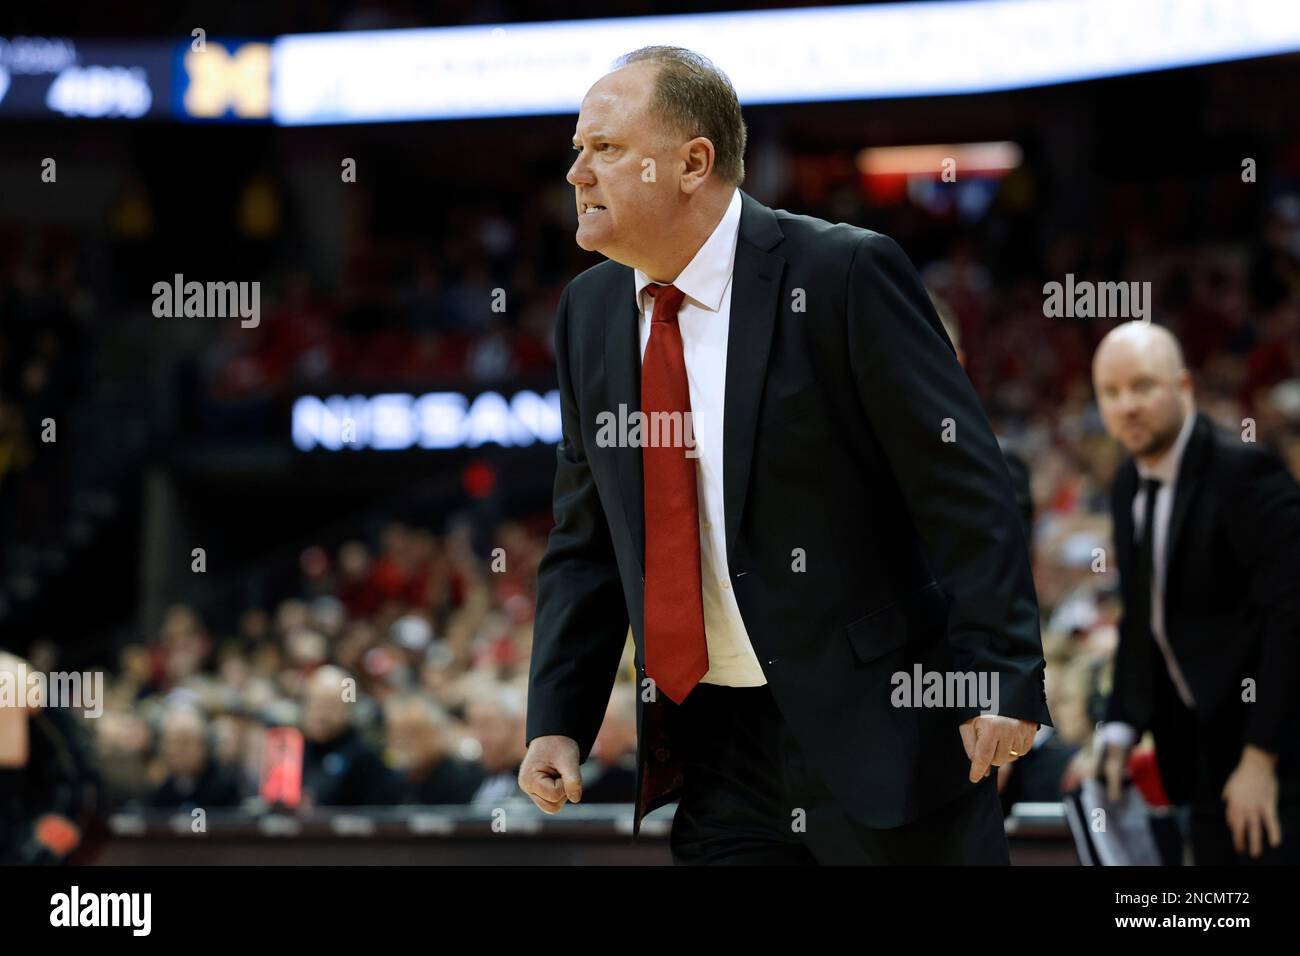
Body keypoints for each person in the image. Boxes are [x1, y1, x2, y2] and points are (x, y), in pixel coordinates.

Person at [520, 46, 1050, 864]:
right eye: (578, 149)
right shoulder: (588, 313)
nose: (578, 173)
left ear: (694, 163)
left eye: (608, 149)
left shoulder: (842, 271)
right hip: (714, 745)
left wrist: (1002, 674)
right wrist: (558, 715)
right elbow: (586, 538)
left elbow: (963, 487)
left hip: (883, 726)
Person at [1091, 321, 1300, 864]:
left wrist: (1261, 759)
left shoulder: (1243, 472)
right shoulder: (1127, 483)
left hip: (1275, 747)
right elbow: (1143, 618)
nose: (1127, 405)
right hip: (1201, 748)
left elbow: (1292, 618)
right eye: (1111, 393)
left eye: (1142, 386)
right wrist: (1119, 724)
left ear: (1183, 386)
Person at [299, 665, 401, 808]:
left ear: (347, 709)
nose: (319, 714)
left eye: (329, 705)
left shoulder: (364, 757)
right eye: (313, 703)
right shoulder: (296, 750)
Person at [384, 694, 484, 805]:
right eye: (396, 734)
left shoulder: (462, 779)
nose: (402, 742)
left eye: (412, 733)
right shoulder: (392, 783)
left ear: (437, 733)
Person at [147, 707, 241, 811]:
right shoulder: (161, 790)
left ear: (204, 745)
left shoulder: (225, 786)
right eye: (169, 743)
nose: (173, 751)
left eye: (183, 743)